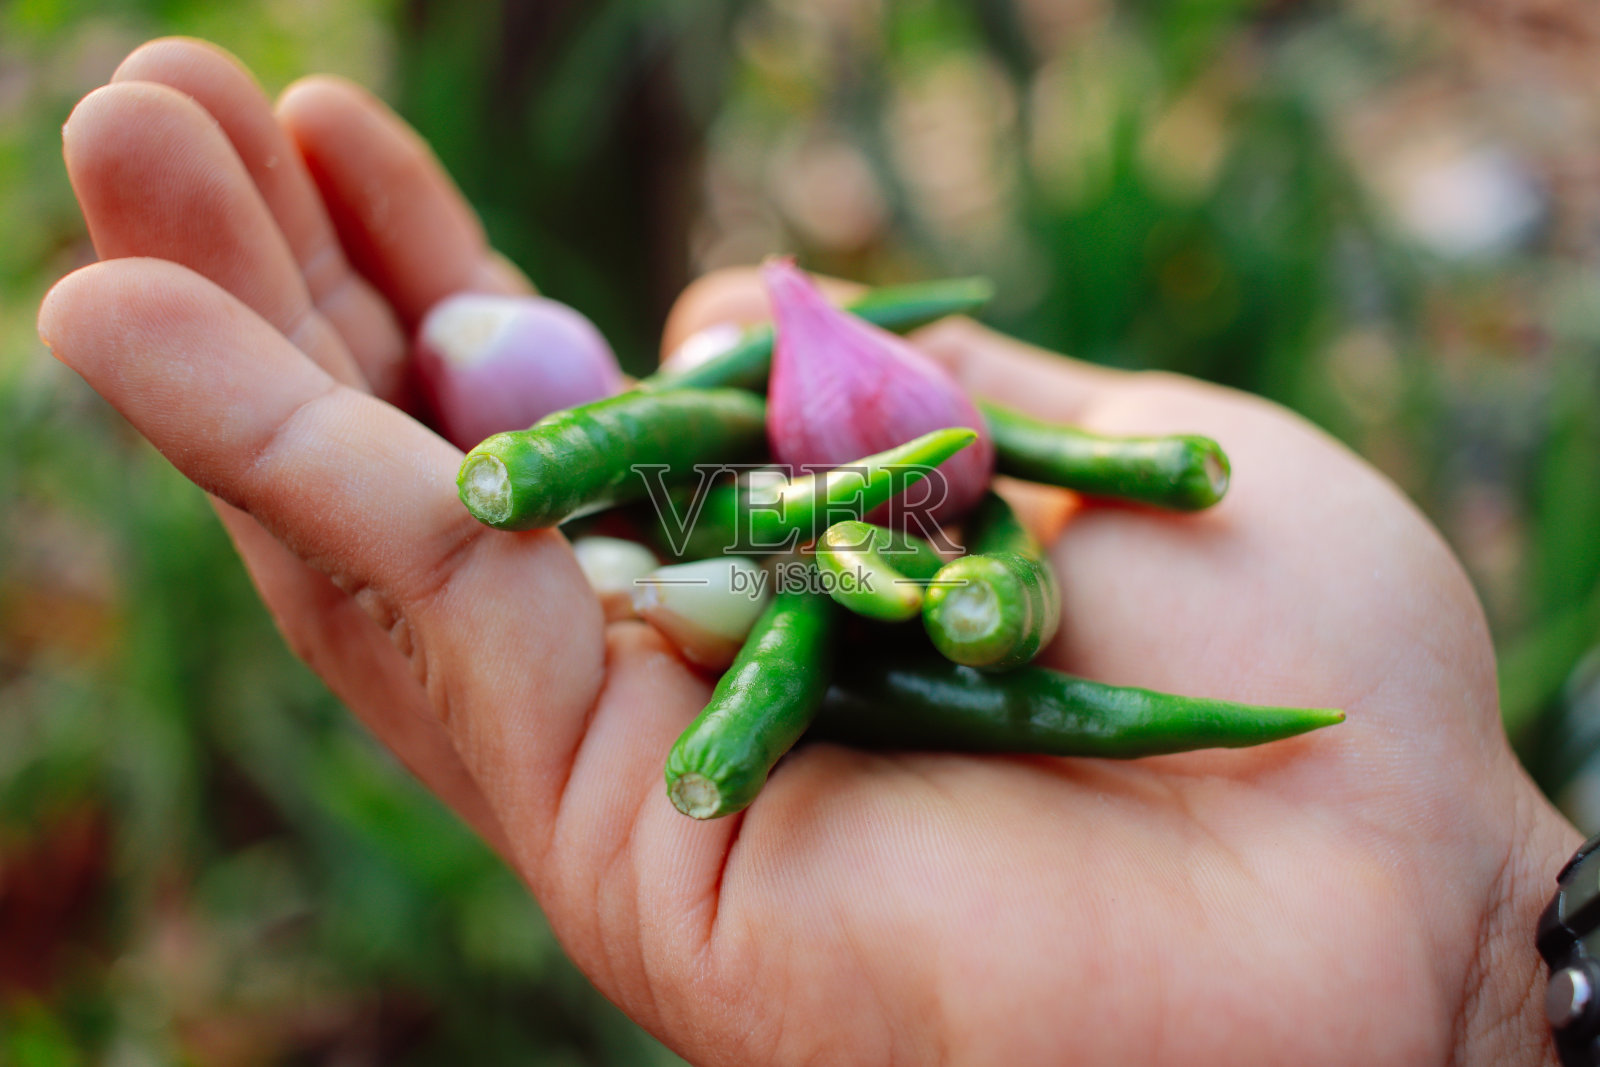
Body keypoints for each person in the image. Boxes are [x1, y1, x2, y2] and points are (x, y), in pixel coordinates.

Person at [36, 36, 1580, 1067]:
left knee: (771, 558)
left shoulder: (890, 518)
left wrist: (1482, 959)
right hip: (789, 540)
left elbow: (865, 530)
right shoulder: (809, 515)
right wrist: (1496, 982)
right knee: (755, 557)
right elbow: (792, 548)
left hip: (829, 546)